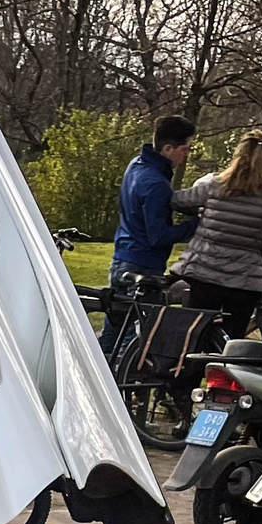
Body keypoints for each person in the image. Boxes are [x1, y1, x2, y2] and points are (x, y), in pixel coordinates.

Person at [171, 127, 262, 337]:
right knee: (234, 342)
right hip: (245, 282)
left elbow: (177, 200)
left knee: (196, 337)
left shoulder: (215, 186)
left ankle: (196, 368)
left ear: (238, 155)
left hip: (206, 274)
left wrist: (200, 212)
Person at [102, 115, 197, 359]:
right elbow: (158, 236)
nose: (186, 155)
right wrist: (194, 225)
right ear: (168, 149)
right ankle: (120, 390)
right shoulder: (157, 184)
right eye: (184, 149)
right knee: (137, 338)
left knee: (111, 337)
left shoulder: (136, 166)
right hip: (144, 265)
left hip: (121, 257)